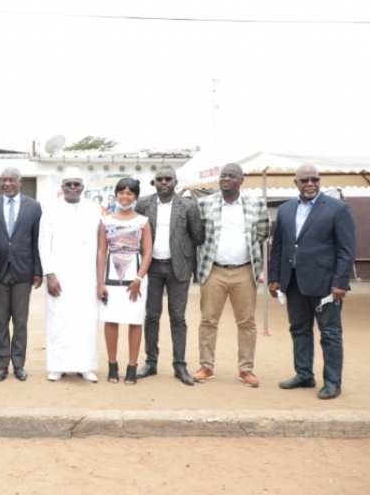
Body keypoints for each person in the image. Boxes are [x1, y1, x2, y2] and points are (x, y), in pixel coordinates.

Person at [270, 165, 356, 400]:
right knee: (299, 329)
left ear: (320, 181)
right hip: (294, 282)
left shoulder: (337, 209)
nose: (310, 184)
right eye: (305, 180)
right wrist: (275, 277)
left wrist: (340, 282)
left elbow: (346, 249)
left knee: (330, 333)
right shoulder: (286, 210)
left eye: (315, 179)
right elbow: (279, 246)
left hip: (326, 284)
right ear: (295, 182)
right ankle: (304, 374)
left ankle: (332, 382)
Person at [195, 163, 270, 387]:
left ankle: (246, 370)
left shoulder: (256, 204)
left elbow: (263, 233)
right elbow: (198, 234)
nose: (226, 179)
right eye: (223, 176)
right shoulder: (204, 204)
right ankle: (206, 367)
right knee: (208, 320)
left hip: (245, 271)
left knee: (247, 322)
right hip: (213, 270)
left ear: (241, 180)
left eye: (231, 176)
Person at [135, 166, 205, 385]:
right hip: (152, 268)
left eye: (168, 179)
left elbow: (197, 236)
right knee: (152, 316)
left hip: (179, 268)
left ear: (176, 182)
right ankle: (151, 362)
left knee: (178, 317)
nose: (163, 182)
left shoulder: (189, 206)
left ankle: (180, 365)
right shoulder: (144, 204)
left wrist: (180, 252)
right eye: (159, 179)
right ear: (154, 183)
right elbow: (137, 233)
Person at [38, 167, 103, 383]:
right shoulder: (51, 209)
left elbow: (101, 245)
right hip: (60, 276)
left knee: (86, 321)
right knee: (59, 320)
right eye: (68, 184)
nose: (73, 187)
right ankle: (58, 366)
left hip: (87, 276)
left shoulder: (94, 209)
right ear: (62, 187)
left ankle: (85, 366)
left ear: (83, 187)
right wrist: (50, 274)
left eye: (76, 184)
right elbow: (43, 242)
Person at [98, 178, 153, 385]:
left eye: (129, 193)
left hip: (136, 278)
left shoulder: (143, 221)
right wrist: (99, 283)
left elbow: (147, 252)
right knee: (110, 319)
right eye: (121, 193)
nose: (125, 197)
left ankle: (132, 366)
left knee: (135, 320)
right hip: (111, 276)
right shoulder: (105, 221)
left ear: (136, 196)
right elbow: (101, 252)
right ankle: (112, 365)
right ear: (116, 195)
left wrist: (139, 278)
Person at [0, 167, 42, 382]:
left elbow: (37, 241)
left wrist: (38, 270)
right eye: (3, 180)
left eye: (12, 180)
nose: (8, 184)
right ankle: (2, 364)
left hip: (23, 272)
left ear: (20, 182)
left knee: (20, 321)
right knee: (0, 321)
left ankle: (19, 364)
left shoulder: (34, 207)